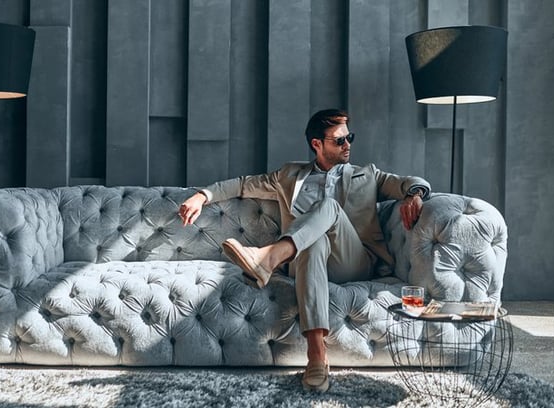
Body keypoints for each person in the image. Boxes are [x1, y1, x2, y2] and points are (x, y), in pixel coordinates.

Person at [178, 109, 430, 392]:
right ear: (317, 145)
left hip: (354, 261)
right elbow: (241, 184)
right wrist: (202, 196)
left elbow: (409, 182)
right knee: (314, 242)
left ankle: (267, 257)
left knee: (328, 207)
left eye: (350, 138)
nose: (348, 145)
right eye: (339, 141)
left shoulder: (367, 175)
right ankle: (316, 356)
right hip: (304, 261)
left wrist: (415, 195)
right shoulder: (289, 176)